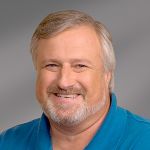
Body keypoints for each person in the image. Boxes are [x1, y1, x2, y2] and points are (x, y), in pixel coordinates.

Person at [0, 10, 150, 150]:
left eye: (80, 65)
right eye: (51, 65)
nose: (64, 82)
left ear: (107, 75)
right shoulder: (6, 143)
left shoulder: (145, 140)